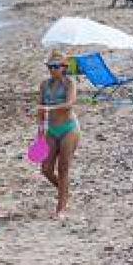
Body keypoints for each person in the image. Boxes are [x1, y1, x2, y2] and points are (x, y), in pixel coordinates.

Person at [37, 51, 80, 218]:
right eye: (50, 66)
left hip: (69, 128)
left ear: (64, 67)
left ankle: (61, 208)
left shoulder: (69, 83)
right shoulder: (44, 85)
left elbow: (70, 104)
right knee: (46, 169)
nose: (53, 70)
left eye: (56, 66)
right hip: (52, 129)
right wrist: (40, 133)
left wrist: (50, 109)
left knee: (63, 168)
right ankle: (65, 192)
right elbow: (40, 109)